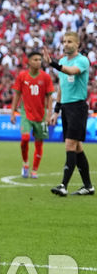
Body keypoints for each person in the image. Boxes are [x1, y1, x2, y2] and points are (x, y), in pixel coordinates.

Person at [44, 32, 93, 196]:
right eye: (64, 41)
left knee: (70, 145)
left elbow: (72, 72)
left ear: (77, 44)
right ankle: (88, 186)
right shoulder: (63, 61)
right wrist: (56, 111)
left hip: (78, 107)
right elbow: (61, 88)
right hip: (66, 108)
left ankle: (63, 185)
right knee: (77, 147)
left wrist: (53, 64)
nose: (65, 44)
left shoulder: (82, 60)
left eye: (69, 41)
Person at [10, 51, 54, 178]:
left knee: (39, 143)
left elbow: (50, 97)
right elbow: (17, 94)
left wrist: (49, 114)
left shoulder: (45, 77)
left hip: (41, 114)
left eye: (40, 59)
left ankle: (34, 170)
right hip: (26, 113)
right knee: (25, 139)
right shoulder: (22, 76)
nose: (38, 62)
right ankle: (25, 164)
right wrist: (13, 112)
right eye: (35, 59)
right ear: (28, 61)